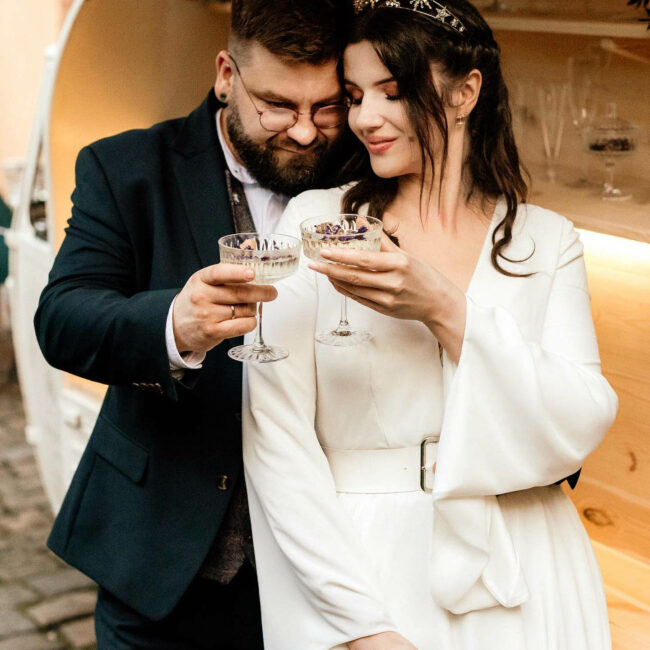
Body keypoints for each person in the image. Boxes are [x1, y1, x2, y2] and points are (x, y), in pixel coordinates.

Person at [243, 1, 619, 649]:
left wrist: (444, 309)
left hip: (528, 562)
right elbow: (274, 440)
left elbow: (580, 421)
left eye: (392, 92)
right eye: (355, 96)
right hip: (372, 563)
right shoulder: (318, 223)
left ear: (466, 92)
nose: (365, 118)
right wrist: (361, 626)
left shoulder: (545, 240)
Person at [33, 1, 350, 647]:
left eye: (327, 107)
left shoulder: (363, 174)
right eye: (278, 106)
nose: (305, 132)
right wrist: (174, 324)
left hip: (324, 568)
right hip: (163, 561)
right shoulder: (126, 167)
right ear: (226, 75)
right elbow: (63, 318)